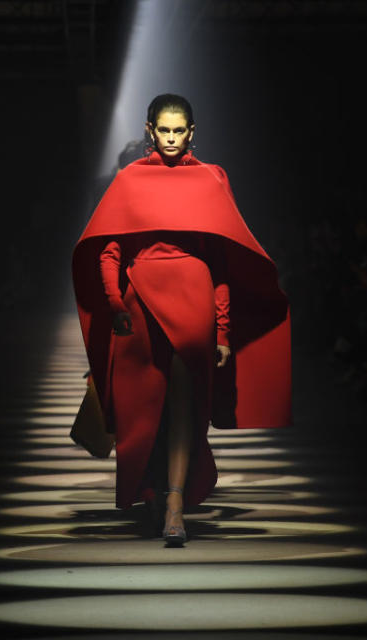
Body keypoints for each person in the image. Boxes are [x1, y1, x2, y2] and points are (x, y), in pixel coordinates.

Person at [72, 94, 292, 546]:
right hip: (138, 304)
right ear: (150, 130)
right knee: (141, 408)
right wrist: (114, 305)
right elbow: (110, 250)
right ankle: (156, 491)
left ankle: (173, 502)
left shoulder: (211, 179)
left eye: (179, 131)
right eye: (164, 130)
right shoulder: (131, 179)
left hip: (193, 302)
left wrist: (224, 328)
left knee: (183, 407)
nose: (172, 138)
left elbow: (220, 260)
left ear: (192, 131)